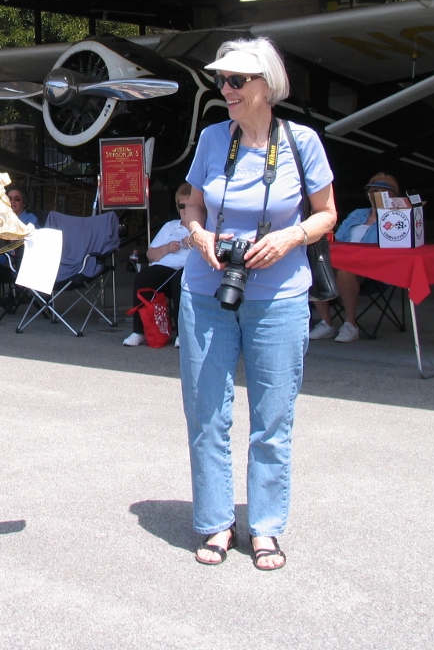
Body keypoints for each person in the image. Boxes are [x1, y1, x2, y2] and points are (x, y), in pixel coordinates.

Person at [178, 36, 336, 571]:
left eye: (236, 81)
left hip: (279, 298)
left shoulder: (302, 141)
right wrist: (199, 235)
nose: (225, 89)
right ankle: (216, 522)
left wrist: (290, 238)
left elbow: (327, 214)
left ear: (267, 85)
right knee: (206, 414)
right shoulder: (211, 139)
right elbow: (192, 206)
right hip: (207, 290)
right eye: (221, 80)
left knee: (273, 419)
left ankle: (265, 527)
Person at [310, 172, 401, 342]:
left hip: (374, 268)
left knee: (346, 270)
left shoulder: (396, 219)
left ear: (393, 196)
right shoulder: (357, 214)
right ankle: (326, 323)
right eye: (373, 191)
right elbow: (339, 238)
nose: (377, 195)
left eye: (383, 191)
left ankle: (350, 325)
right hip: (345, 260)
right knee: (314, 265)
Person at [124, 182, 192, 347]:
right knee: (143, 277)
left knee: (179, 280)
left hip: (188, 272)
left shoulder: (203, 228)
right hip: (165, 269)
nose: (185, 210)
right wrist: (167, 248)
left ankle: (182, 334)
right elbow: (150, 255)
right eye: (181, 206)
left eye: (190, 206)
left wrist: (194, 242)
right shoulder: (170, 226)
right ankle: (139, 331)